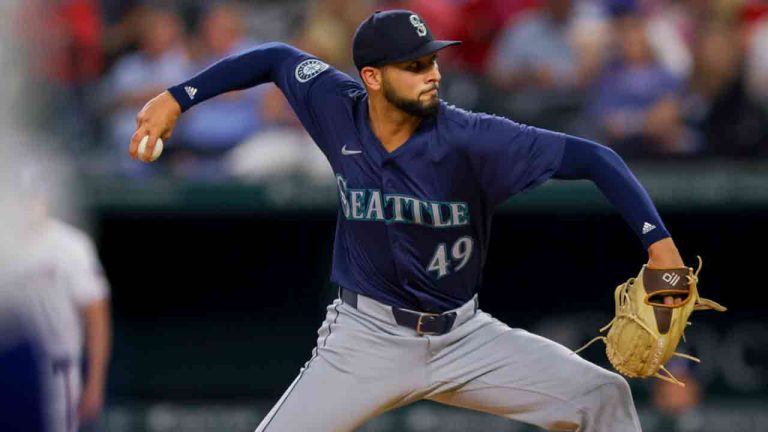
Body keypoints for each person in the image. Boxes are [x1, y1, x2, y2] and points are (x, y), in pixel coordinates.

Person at [130, 9, 690, 431]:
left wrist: (661, 251)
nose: (433, 74)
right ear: (372, 77)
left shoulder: (473, 138)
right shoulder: (335, 106)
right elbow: (275, 56)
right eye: (415, 65)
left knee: (605, 397)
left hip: (465, 337)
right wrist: (179, 97)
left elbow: (596, 158)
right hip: (365, 337)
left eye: (433, 60)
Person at [1, 167, 112, 432]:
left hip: (58, 370)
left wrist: (95, 382)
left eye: (33, 197)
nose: (28, 206)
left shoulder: (70, 245)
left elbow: (96, 316)